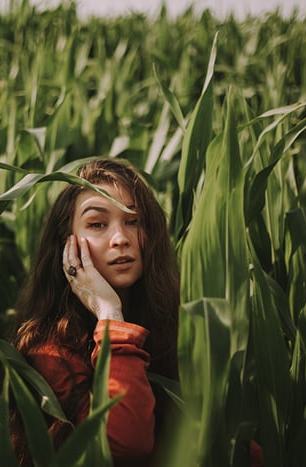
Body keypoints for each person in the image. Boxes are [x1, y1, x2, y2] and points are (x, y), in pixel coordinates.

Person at [12, 158, 180, 466]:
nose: (121, 239)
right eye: (97, 224)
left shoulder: (177, 322)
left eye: (133, 221)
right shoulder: (52, 354)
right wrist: (109, 312)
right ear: (68, 245)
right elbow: (124, 445)